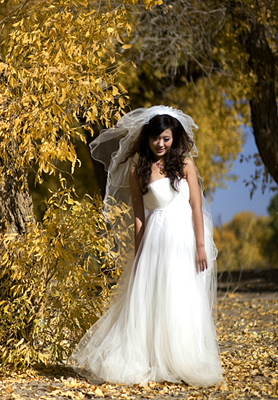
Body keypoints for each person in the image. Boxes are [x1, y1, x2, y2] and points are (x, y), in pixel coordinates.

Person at [67, 106, 223, 387]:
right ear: (146, 139)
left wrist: (201, 245)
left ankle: (182, 358)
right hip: (156, 240)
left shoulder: (185, 163)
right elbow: (139, 217)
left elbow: (196, 206)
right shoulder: (138, 170)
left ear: (173, 137)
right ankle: (153, 359)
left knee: (182, 296)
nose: (160, 144)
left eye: (165, 138)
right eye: (155, 138)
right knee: (156, 297)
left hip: (184, 237)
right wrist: (139, 254)